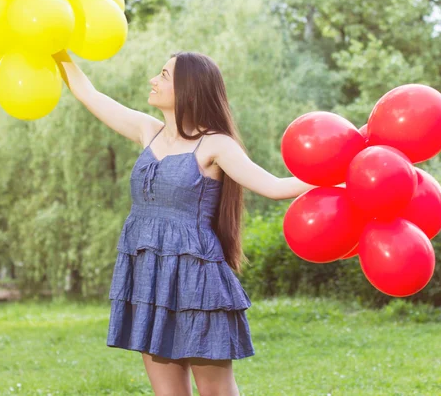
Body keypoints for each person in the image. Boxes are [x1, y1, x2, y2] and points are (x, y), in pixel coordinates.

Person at [54, 50, 315, 396]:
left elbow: (275, 187)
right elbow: (88, 93)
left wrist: (338, 175)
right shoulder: (148, 131)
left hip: (197, 284)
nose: (153, 80)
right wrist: (56, 48)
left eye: (163, 75)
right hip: (149, 278)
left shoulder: (215, 145)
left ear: (188, 88)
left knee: (216, 393)